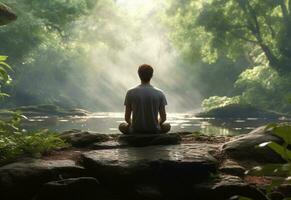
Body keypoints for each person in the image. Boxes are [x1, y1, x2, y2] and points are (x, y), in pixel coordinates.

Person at [119, 64, 171, 134]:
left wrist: (132, 124)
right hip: (154, 130)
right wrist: (157, 124)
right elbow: (164, 118)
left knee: (121, 126)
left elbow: (127, 118)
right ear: (151, 75)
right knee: (167, 126)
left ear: (139, 75)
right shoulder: (159, 93)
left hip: (135, 130)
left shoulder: (130, 92)